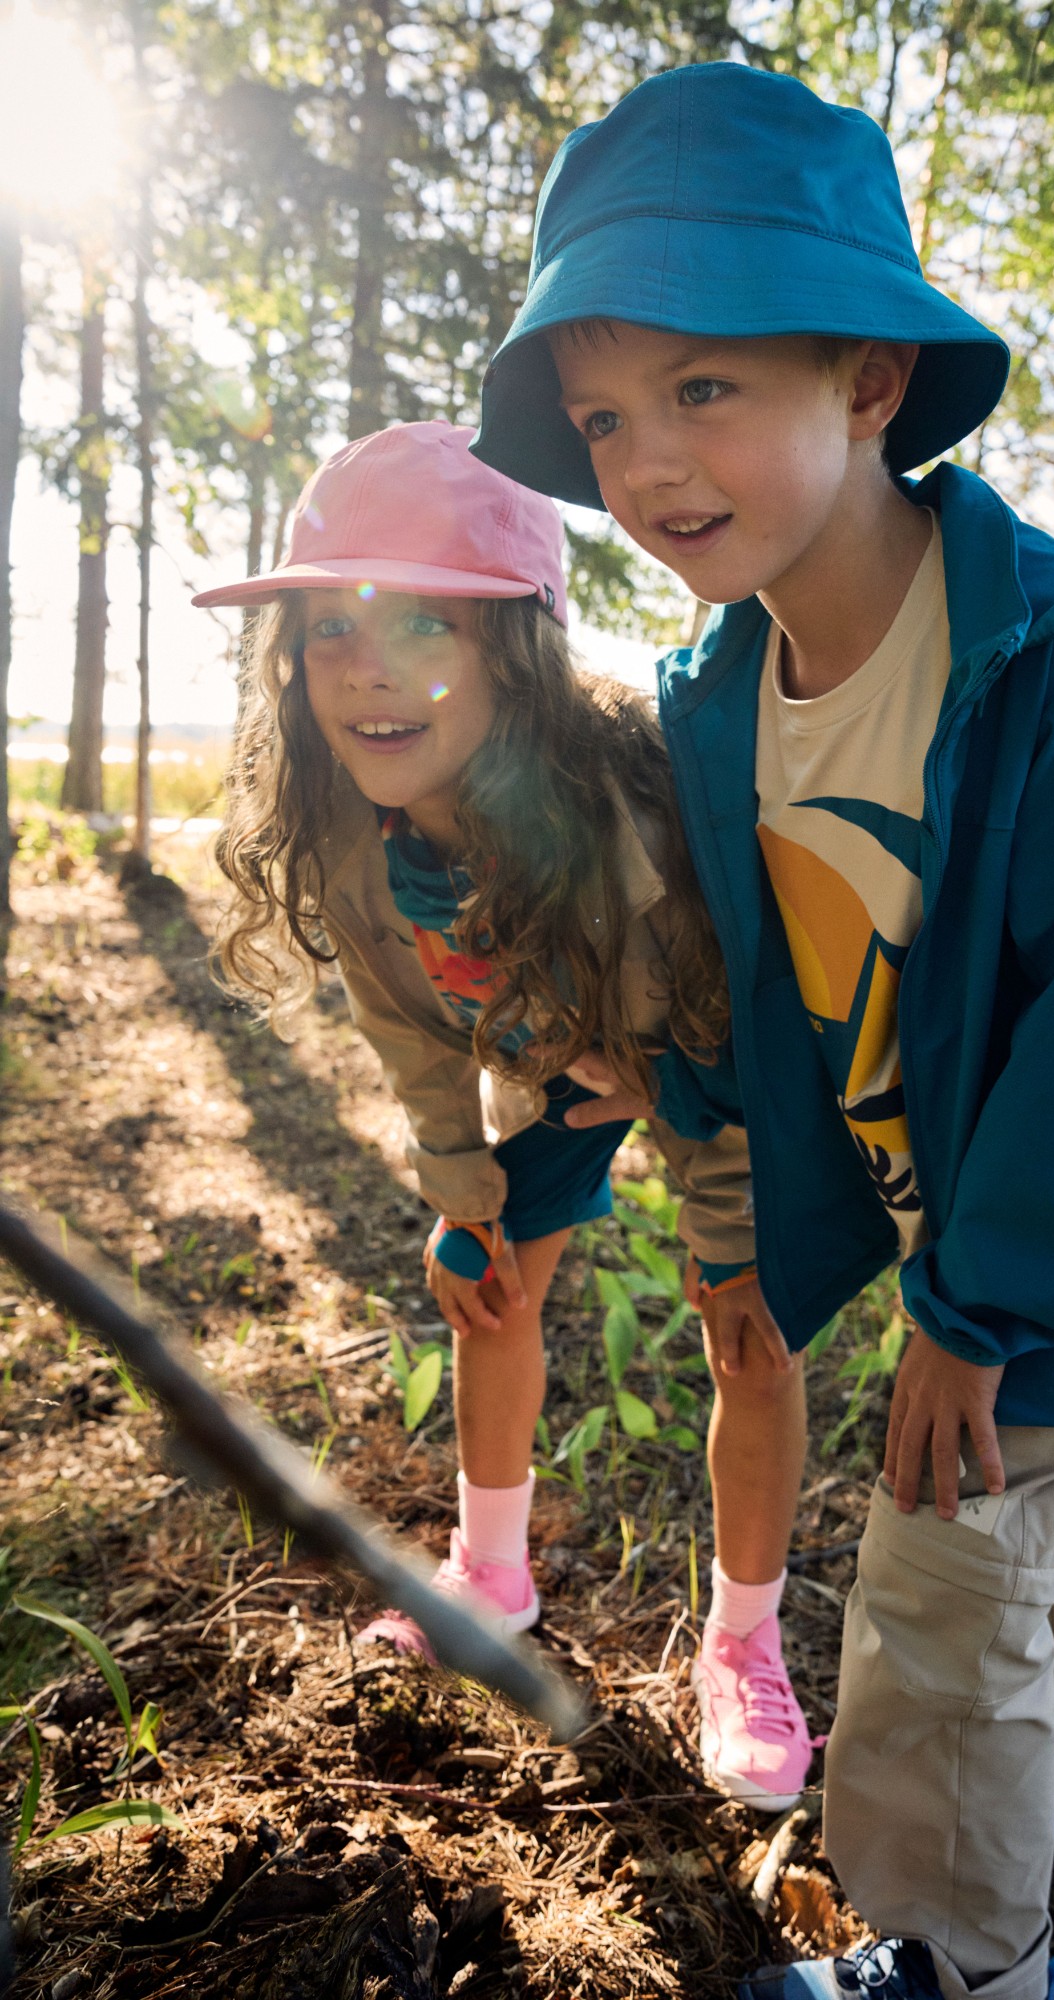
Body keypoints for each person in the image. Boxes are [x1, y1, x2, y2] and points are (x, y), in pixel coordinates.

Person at [470, 62, 1054, 2000]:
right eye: (602, 416)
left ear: (870, 381)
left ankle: (961, 1955)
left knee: (936, 1578)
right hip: (969, 1227)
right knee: (1038, 1528)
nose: (646, 465)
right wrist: (669, 1088)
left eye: (702, 387)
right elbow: (775, 971)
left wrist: (973, 1311)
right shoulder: (723, 690)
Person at [197, 419, 814, 1812]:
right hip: (538, 1055)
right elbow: (409, 1025)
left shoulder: (638, 813)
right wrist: (458, 1184)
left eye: (426, 625)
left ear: (517, 656)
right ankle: (489, 1573)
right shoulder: (348, 827)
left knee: (753, 1334)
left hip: (703, 1058)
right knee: (485, 1290)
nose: (368, 669)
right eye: (331, 630)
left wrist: (731, 1240)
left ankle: (745, 1643)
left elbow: (724, 1030)